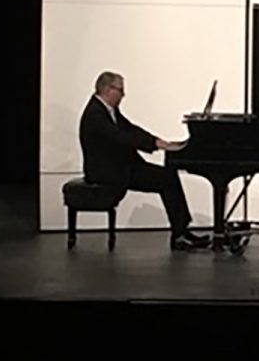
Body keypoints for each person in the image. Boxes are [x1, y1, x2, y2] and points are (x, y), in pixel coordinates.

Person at [79, 71, 209, 250]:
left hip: (120, 165)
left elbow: (131, 129)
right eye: (120, 90)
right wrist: (156, 144)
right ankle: (179, 234)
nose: (123, 95)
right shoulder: (96, 114)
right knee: (166, 178)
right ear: (108, 90)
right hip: (108, 172)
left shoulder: (107, 110)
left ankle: (181, 232)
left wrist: (158, 141)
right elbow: (122, 138)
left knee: (167, 176)